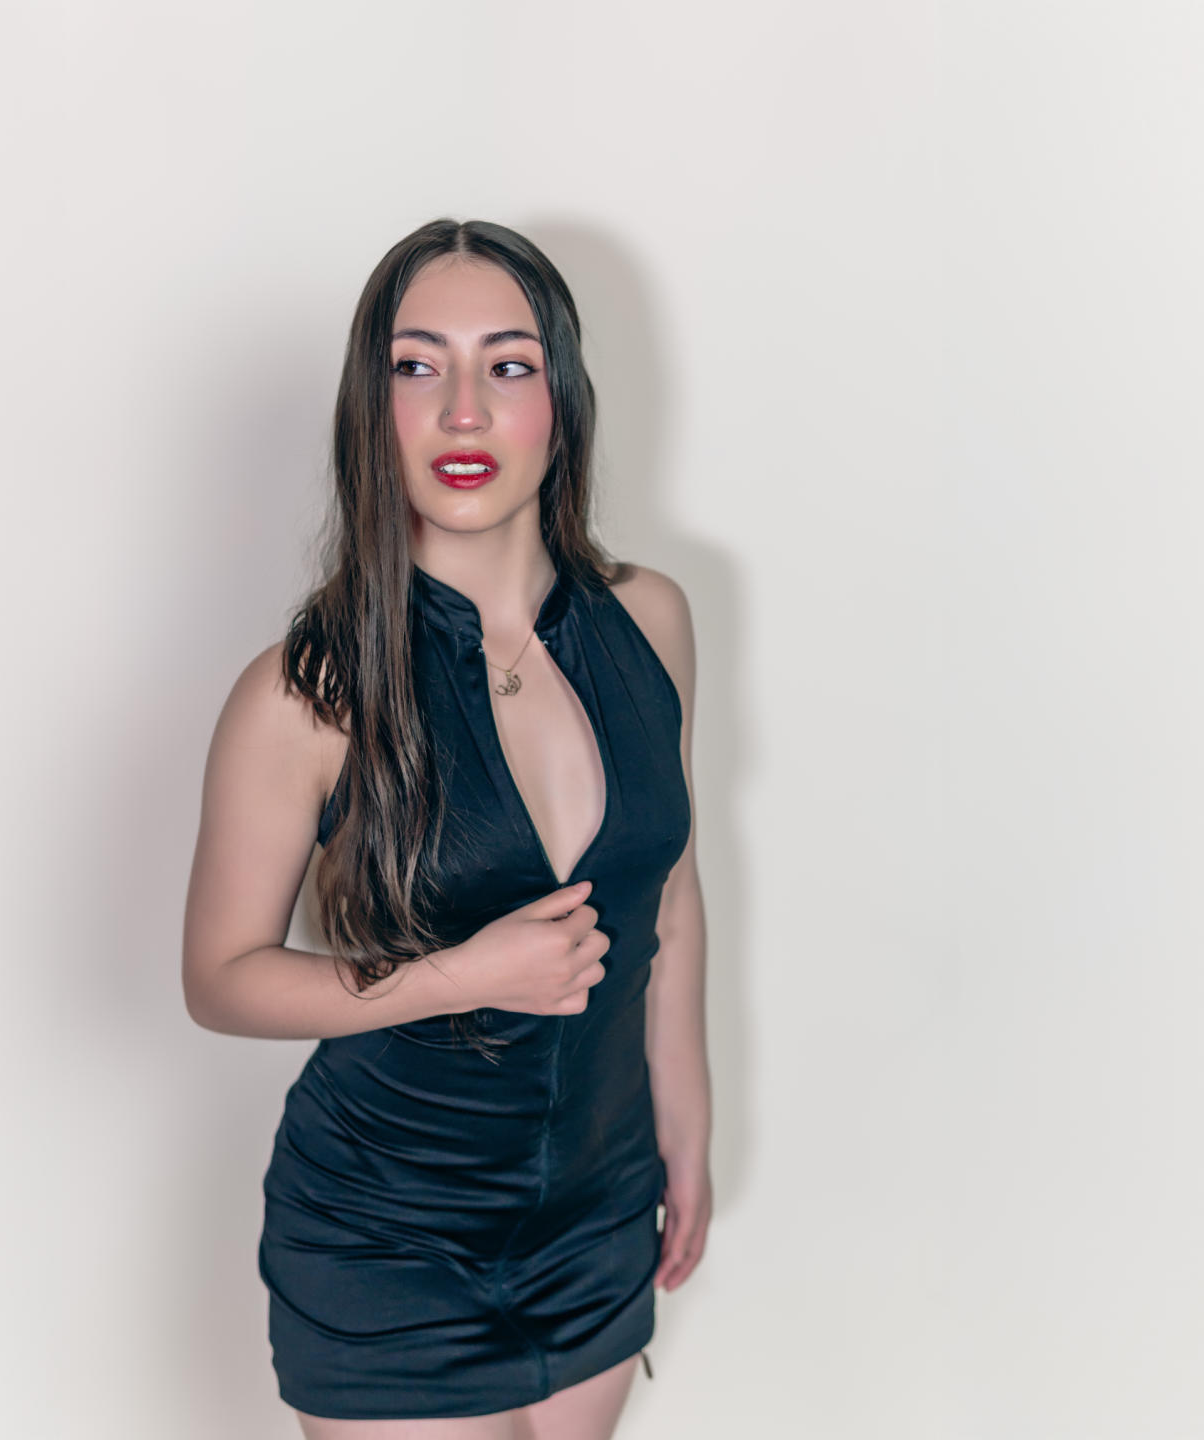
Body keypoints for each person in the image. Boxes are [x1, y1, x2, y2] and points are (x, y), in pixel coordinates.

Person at [183, 217, 711, 1439]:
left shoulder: (652, 622)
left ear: (560, 403)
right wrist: (458, 977)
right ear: (369, 411)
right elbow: (220, 977)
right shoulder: (304, 693)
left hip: (595, 1214)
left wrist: (685, 1131)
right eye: (415, 366)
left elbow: (671, 906)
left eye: (506, 366)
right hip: (386, 1236)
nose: (461, 410)